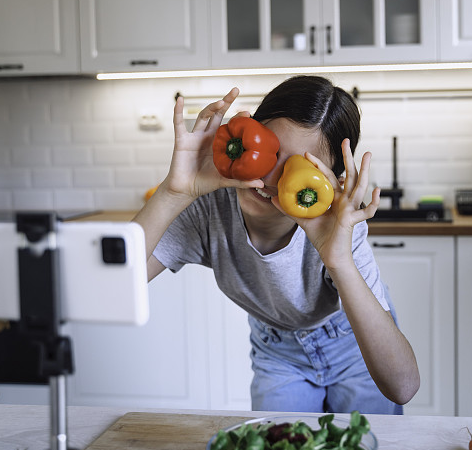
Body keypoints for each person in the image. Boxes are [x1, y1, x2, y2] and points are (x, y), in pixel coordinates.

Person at [133, 75, 419, 414]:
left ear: (332, 183)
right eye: (266, 151)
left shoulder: (337, 225)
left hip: (351, 342)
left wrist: (338, 259)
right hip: (276, 352)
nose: (268, 179)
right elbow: (113, 288)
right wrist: (173, 192)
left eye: (296, 169)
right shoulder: (210, 209)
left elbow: (402, 387)